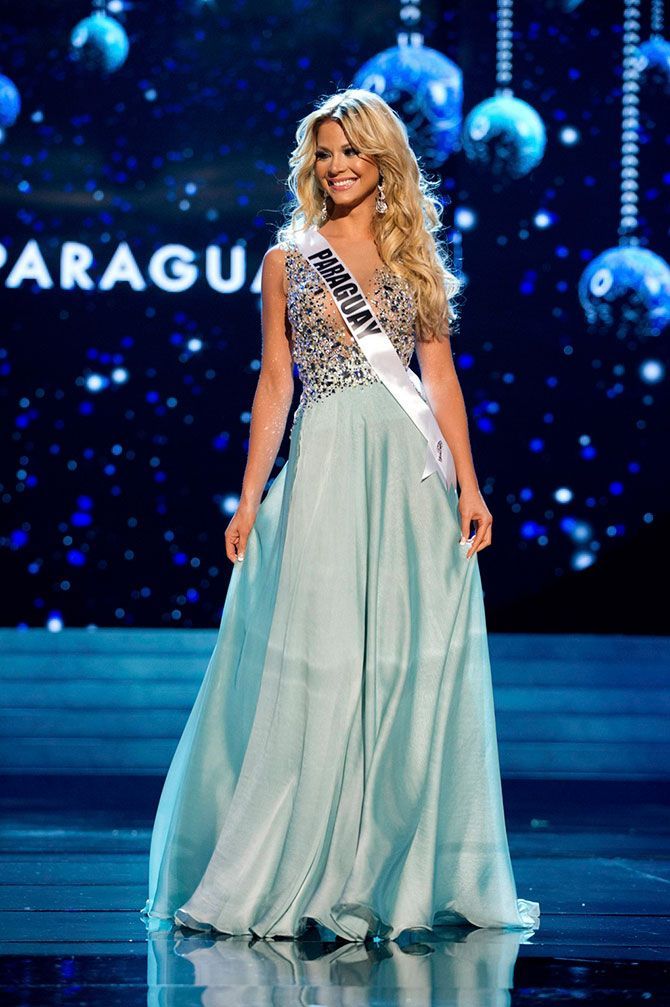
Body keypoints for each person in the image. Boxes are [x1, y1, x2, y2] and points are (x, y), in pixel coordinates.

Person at [139, 88, 540, 943]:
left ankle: (387, 868)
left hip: (409, 478)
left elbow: (440, 380)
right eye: (323, 153)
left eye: (351, 151)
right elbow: (275, 382)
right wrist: (248, 497)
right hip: (323, 469)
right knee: (315, 667)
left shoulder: (415, 253)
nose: (336, 166)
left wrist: (470, 485)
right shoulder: (290, 258)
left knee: (402, 668)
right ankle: (292, 866)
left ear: (382, 157)